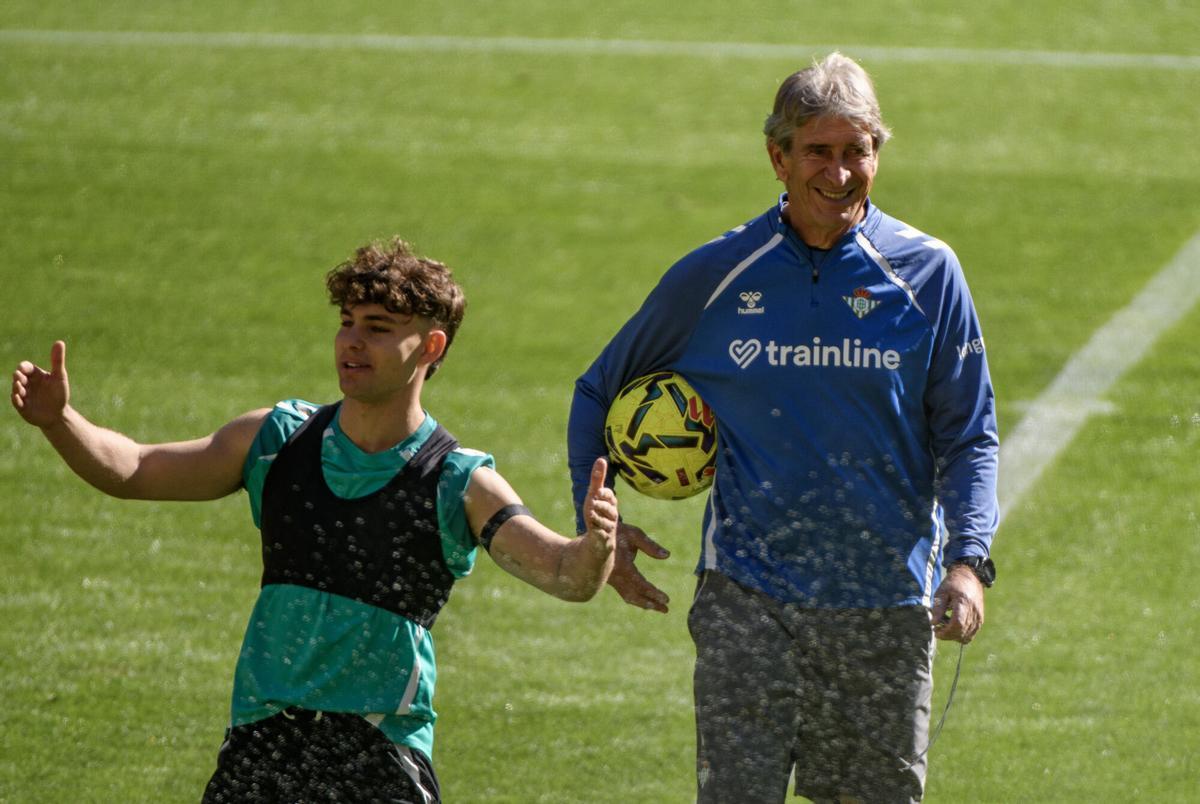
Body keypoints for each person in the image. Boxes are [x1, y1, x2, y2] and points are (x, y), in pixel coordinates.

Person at [11, 238, 619, 803]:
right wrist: (61, 421)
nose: (351, 342)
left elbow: (566, 574)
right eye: (346, 324)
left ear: (430, 347)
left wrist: (597, 542)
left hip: (381, 758)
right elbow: (136, 470)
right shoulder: (278, 440)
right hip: (262, 743)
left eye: (376, 329)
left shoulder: (457, 480)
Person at [567, 53, 998, 803]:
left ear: (878, 153)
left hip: (885, 608)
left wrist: (968, 560)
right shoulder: (718, 274)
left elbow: (968, 434)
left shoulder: (929, 274)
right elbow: (599, 389)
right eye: (818, 152)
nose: (839, 173)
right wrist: (597, 519)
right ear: (778, 157)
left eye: (857, 150)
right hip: (747, 602)